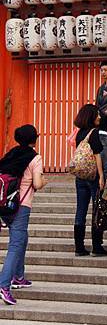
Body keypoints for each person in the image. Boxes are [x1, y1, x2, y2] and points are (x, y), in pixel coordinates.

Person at [0, 125, 47, 305]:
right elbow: (36, 183)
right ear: (34, 139)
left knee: (22, 238)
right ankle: (4, 285)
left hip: (5, 205)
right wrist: (43, 181)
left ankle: (19, 276)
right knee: (16, 244)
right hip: (21, 205)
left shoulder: (11, 154)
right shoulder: (35, 157)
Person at [73, 104, 107, 257]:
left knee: (80, 210)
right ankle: (96, 246)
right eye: (97, 115)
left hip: (80, 176)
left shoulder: (80, 133)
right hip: (93, 177)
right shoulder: (94, 133)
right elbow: (97, 155)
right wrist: (101, 176)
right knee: (96, 209)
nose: (99, 117)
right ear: (91, 117)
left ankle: (79, 247)